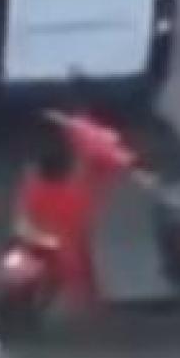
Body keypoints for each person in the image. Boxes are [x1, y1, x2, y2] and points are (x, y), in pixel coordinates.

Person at [12, 111, 135, 310]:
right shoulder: (75, 176)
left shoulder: (89, 155)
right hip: (56, 233)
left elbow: (119, 163)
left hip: (57, 231)